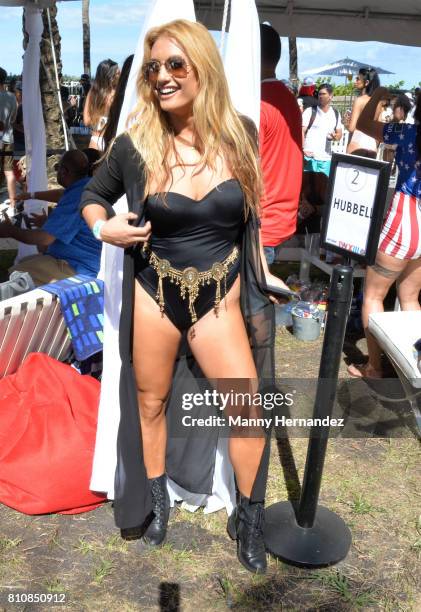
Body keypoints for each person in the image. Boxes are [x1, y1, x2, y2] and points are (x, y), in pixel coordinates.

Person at [80, 19, 285, 574]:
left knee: (245, 412)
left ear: (202, 67)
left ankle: (250, 517)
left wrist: (261, 282)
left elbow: (254, 221)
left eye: (175, 65)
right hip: (155, 294)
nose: (163, 77)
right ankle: (157, 500)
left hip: (218, 299)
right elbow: (93, 199)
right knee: (149, 404)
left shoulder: (240, 134)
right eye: (153, 68)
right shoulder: (135, 144)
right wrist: (106, 229)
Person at [347, 87, 421, 378]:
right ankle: (415, 364)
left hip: (404, 215)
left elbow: (363, 125)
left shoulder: (406, 134)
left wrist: (376, 95)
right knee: (411, 297)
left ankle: (374, 367)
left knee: (374, 295)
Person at [0, 150, 101, 285]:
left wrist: (10, 231)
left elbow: (44, 239)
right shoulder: (82, 187)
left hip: (76, 267)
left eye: (57, 168)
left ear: (64, 171)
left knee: (15, 279)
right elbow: (61, 195)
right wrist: (46, 223)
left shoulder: (77, 195)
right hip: (74, 261)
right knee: (25, 264)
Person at [259, 23, 303, 264]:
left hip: (261, 225)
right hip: (280, 219)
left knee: (248, 300)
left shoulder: (260, 102)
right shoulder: (288, 98)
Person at [302, 83, 343, 178]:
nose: (320, 96)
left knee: (323, 189)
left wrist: (335, 137)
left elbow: (339, 134)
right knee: (307, 189)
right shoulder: (310, 111)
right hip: (309, 157)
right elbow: (302, 131)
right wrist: (303, 149)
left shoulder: (336, 113)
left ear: (331, 96)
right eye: (319, 94)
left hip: (326, 159)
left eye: (323, 94)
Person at [83, 60, 120, 150]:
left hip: (96, 139)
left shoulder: (93, 92)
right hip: (113, 141)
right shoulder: (120, 93)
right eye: (118, 73)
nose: (121, 75)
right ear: (110, 76)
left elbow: (86, 120)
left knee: (94, 163)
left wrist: (99, 119)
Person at [102, 54, 134, 151]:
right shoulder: (117, 96)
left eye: (120, 73)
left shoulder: (118, 95)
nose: (119, 76)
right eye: (117, 73)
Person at [347, 68, 380, 158]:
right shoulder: (378, 102)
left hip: (358, 141)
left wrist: (347, 122)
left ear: (367, 82)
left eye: (358, 79)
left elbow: (351, 128)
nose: (355, 81)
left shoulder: (360, 100)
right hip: (372, 144)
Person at [0, 66, 18, 206]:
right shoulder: (12, 97)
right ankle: (13, 203)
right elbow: (12, 120)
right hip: (9, 139)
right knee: (9, 171)